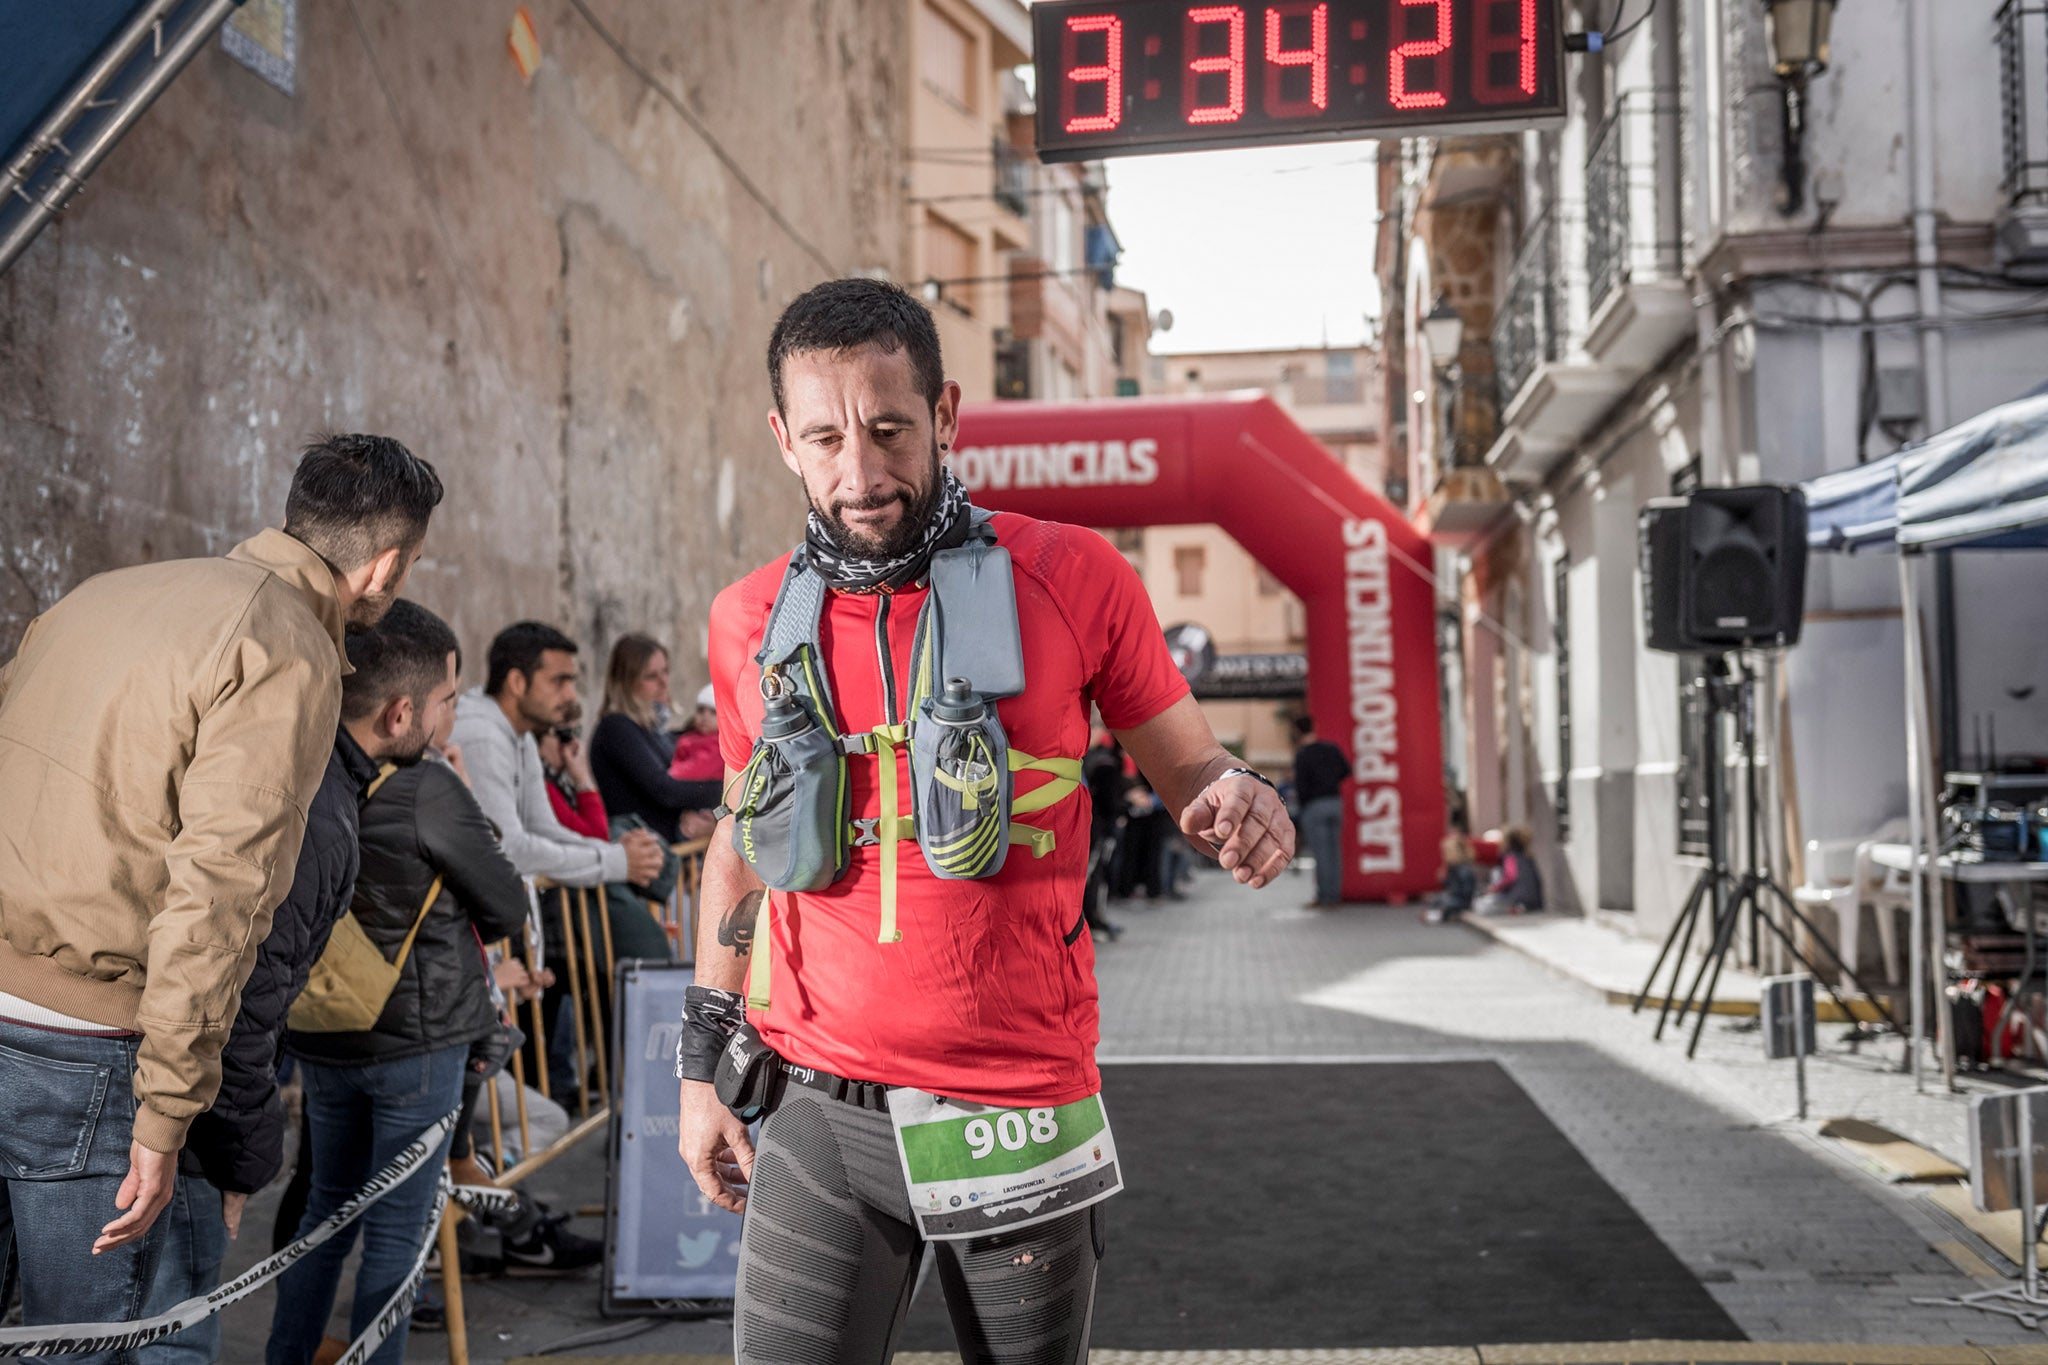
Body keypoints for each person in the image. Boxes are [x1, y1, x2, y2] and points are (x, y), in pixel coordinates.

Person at [675, 277, 1295, 1365]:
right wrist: (697, 1070)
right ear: (782, 438)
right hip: (818, 1100)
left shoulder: (1072, 575)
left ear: (946, 416)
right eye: (823, 439)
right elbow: (741, 841)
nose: (858, 474)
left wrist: (1239, 799)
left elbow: (1193, 765)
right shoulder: (748, 618)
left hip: (1012, 1104)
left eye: (888, 430)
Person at [0, 433, 440, 1350]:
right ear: (386, 565)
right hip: (86, 1044)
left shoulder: (104, 593)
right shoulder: (284, 645)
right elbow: (222, 896)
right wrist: (166, 1115)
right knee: (97, 1337)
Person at [267, 602, 528, 1365]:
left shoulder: (308, 769)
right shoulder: (429, 789)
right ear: (404, 708)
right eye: (450, 699)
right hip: (416, 1041)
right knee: (397, 1228)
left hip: (323, 1029)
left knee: (325, 1212)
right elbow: (506, 902)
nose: (454, 714)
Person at [590, 633, 722, 842]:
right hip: (641, 858)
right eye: (651, 676)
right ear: (627, 683)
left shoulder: (654, 729)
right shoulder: (616, 728)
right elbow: (666, 790)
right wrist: (729, 787)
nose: (663, 682)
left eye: (665, 671)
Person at [1292, 714, 1350, 908]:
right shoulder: (1331, 749)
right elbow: (1346, 770)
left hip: (1314, 806)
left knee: (1321, 853)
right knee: (1334, 852)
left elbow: (1300, 786)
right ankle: (1336, 894)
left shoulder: (1303, 755)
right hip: (1335, 802)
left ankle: (1325, 896)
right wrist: (1331, 781)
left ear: (1297, 732)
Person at [538, 707, 610, 841]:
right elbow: (597, 839)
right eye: (565, 735)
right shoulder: (541, 785)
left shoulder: (559, 781)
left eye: (577, 732)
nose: (574, 742)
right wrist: (583, 779)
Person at [1474, 825, 1545, 916]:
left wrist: (1495, 888)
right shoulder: (1527, 856)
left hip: (1517, 897)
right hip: (1534, 899)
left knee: (1481, 905)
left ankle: (1514, 908)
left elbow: (1510, 877)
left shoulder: (1510, 857)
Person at [670, 684, 723, 786]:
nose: (705, 717)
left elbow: (699, 769)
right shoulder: (691, 736)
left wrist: (669, 776)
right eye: (701, 710)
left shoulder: (718, 744)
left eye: (713, 712)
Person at [1425, 833, 1478, 923]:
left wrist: (1452, 894)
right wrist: (1444, 880)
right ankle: (1439, 913)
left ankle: (1443, 914)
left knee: (1447, 902)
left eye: (1446, 852)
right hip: (1454, 896)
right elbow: (1449, 886)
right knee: (1436, 898)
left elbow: (1466, 892)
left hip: (1462, 900)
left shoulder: (1464, 870)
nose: (1444, 855)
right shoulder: (1452, 868)